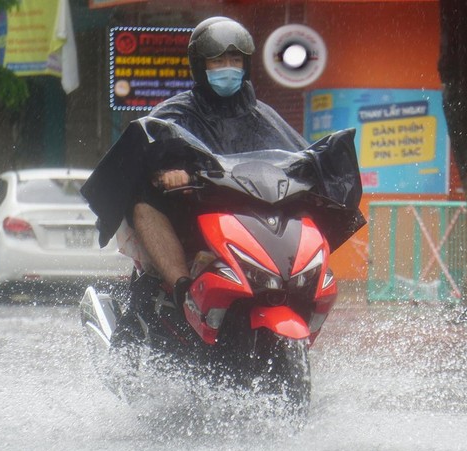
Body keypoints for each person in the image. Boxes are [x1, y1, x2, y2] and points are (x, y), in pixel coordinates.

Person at [82, 16, 308, 308]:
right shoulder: (175, 113)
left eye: (235, 59)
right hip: (190, 216)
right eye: (217, 60)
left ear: (246, 64)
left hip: (251, 218)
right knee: (142, 203)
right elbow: (146, 152)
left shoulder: (264, 117)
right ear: (200, 66)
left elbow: (296, 158)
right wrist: (168, 175)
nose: (228, 67)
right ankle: (183, 291)